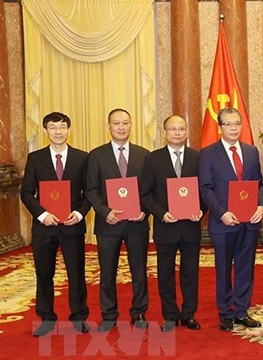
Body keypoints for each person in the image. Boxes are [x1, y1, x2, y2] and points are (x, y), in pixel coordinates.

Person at [20, 112, 91, 336]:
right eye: (53, 127)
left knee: (76, 273)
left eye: (62, 127)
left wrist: (79, 214)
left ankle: (79, 317)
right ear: (45, 131)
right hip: (44, 227)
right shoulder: (35, 158)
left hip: (72, 225)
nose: (58, 132)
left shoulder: (82, 157)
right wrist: (42, 214)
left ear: (69, 130)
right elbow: (26, 192)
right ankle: (47, 318)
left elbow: (90, 192)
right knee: (44, 273)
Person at [199, 107, 263, 332]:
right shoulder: (208, 153)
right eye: (228, 124)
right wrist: (221, 213)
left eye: (237, 123)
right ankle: (226, 312)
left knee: (246, 267)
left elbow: (258, 183)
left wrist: (261, 205)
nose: (234, 128)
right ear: (220, 127)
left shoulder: (250, 151)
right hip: (223, 222)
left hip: (249, 222)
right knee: (223, 268)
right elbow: (206, 189)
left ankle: (241, 311)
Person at [86, 108, 150, 332]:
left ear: (131, 125)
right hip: (108, 225)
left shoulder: (144, 154)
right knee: (107, 271)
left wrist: (145, 210)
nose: (121, 127)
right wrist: (105, 212)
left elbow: (150, 189)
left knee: (139, 271)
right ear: (109, 126)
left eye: (125, 123)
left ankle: (139, 311)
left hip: (137, 223)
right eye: (116, 123)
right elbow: (91, 190)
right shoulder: (96, 155)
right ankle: (109, 314)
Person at [140, 115, 204, 332]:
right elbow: (146, 194)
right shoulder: (153, 159)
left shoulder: (197, 157)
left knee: (190, 273)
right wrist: (161, 213)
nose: (177, 133)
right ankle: (170, 315)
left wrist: (200, 210)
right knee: (165, 273)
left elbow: (204, 191)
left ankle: (189, 314)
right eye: (173, 129)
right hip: (166, 226)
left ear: (186, 132)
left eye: (181, 128)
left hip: (190, 226)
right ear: (164, 133)